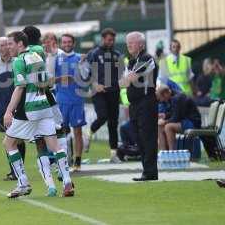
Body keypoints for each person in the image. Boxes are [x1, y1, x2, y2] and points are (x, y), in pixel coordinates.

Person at [3, 31, 74, 198]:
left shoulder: (19, 61)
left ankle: (23, 183)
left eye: (10, 44)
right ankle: (67, 180)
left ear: (20, 44)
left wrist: (8, 111)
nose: (8, 48)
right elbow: (44, 81)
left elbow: (20, 87)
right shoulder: (36, 56)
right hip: (45, 107)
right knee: (55, 146)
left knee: (8, 143)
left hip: (30, 110)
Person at [120, 31, 158, 181]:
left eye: (133, 41)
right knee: (138, 137)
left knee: (147, 137)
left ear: (141, 44)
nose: (129, 44)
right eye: (128, 41)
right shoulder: (131, 61)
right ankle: (146, 170)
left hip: (146, 102)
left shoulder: (146, 58)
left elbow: (128, 80)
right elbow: (125, 81)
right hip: (135, 104)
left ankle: (150, 172)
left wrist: (126, 80)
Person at [0, 37, 26, 181]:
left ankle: (18, 170)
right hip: (3, 108)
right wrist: (2, 102)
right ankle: (14, 170)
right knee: (9, 138)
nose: (2, 48)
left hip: (19, 106)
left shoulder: (18, 62)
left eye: (4, 45)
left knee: (18, 139)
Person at [86, 28, 122, 163]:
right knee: (102, 116)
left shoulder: (117, 54)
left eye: (113, 40)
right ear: (103, 39)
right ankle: (88, 133)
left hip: (114, 91)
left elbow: (121, 73)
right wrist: (94, 84)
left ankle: (114, 154)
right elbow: (86, 73)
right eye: (108, 40)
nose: (111, 42)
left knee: (113, 123)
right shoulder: (94, 53)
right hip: (98, 92)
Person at [55, 33, 87, 171]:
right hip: (61, 101)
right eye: (64, 42)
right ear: (61, 44)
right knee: (60, 133)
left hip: (77, 100)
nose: (67, 44)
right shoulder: (56, 59)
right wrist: (62, 78)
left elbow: (86, 78)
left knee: (77, 132)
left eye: (69, 42)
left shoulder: (80, 58)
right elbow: (50, 79)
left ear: (73, 43)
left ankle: (77, 161)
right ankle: (63, 161)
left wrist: (81, 66)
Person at [156, 85, 202, 150]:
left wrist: (165, 121)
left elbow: (176, 118)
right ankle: (164, 153)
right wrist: (165, 115)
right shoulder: (172, 97)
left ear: (166, 94)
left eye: (161, 98)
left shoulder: (178, 98)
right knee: (160, 126)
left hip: (192, 122)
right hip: (184, 120)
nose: (162, 100)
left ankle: (172, 153)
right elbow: (174, 112)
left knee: (168, 127)